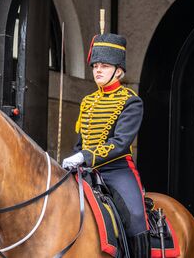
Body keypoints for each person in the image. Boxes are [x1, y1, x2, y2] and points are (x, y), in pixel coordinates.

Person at [62, 33, 150, 257]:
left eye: (104, 66)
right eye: (95, 66)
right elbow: (82, 141)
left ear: (118, 70)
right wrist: (75, 158)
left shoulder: (130, 101)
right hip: (86, 170)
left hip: (117, 170)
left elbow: (120, 143)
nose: (98, 70)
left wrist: (85, 156)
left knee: (137, 218)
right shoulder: (88, 101)